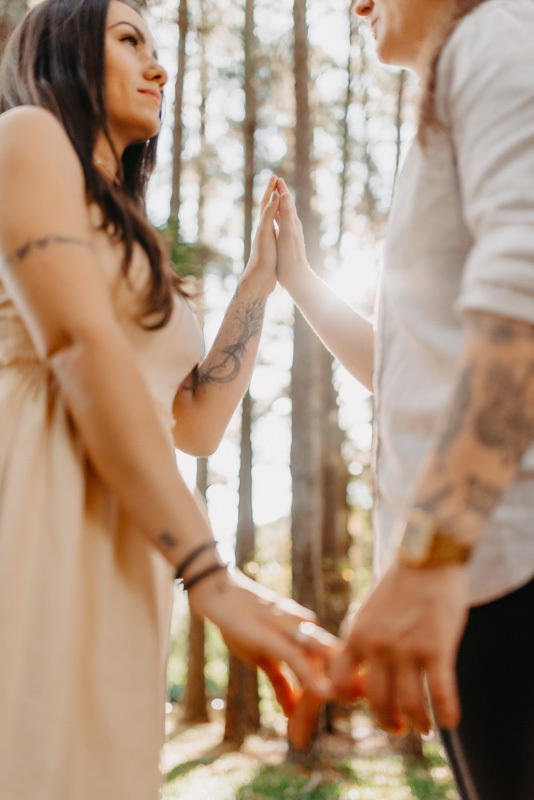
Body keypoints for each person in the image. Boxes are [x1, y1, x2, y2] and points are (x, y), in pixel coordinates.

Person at [0, 1, 340, 798]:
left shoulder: (134, 236)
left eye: (159, 48)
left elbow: (193, 423)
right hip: (36, 519)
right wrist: (210, 574)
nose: (158, 66)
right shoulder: (24, 137)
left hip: (131, 553)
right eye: (128, 41)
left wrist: (261, 282)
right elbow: (81, 348)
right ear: (63, 54)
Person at [277, 0, 534, 797]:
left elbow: (525, 292)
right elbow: (408, 368)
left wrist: (431, 559)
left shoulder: (496, 36)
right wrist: (301, 283)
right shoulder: (457, 80)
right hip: (478, 581)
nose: (356, 3)